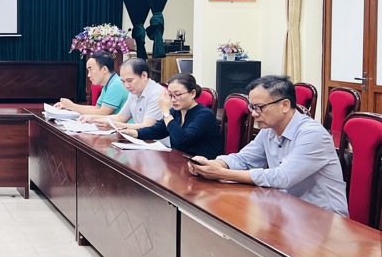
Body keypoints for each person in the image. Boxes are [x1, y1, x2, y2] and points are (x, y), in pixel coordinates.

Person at [188, 75, 348, 216]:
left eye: (260, 107)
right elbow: (243, 160)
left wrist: (222, 173)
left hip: (323, 218)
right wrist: (213, 164)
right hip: (287, 210)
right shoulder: (269, 129)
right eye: (251, 107)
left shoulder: (312, 134)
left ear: (285, 105)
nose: (254, 114)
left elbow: (283, 177)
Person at [121, 73, 223, 159]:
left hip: (203, 166)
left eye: (177, 95)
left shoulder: (205, 115)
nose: (173, 100)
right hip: (180, 161)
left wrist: (166, 112)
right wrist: (132, 133)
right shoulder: (176, 111)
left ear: (192, 93)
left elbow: (182, 140)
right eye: (170, 95)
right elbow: (156, 131)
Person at [79, 58, 163, 131]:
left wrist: (113, 125)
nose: (126, 85)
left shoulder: (157, 94)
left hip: (158, 144)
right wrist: (93, 118)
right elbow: (120, 117)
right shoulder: (134, 92)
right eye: (123, 81)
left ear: (144, 75)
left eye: (129, 80)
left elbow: (147, 127)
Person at [55, 52, 129, 115]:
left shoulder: (116, 84)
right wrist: (69, 106)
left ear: (104, 69)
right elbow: (97, 108)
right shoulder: (108, 84)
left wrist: (72, 106)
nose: (89, 75)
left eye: (91, 70)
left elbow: (102, 113)